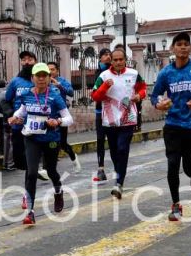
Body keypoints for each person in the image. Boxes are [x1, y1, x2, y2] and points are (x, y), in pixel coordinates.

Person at [151, 32, 191, 221]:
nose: (183, 47)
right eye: (179, 44)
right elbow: (154, 96)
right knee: (172, 165)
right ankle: (176, 206)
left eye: (186, 44)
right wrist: (159, 105)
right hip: (173, 125)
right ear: (172, 49)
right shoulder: (165, 73)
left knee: (188, 168)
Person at [8, 63, 73, 225]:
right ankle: (30, 212)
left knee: (51, 170)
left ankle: (58, 191)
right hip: (31, 138)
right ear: (33, 78)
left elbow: (69, 119)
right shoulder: (27, 95)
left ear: (49, 78)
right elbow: (22, 111)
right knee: (31, 173)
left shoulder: (55, 96)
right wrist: (14, 117)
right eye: (38, 76)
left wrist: (57, 121)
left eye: (45, 75)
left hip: (50, 139)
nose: (42, 79)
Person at [91, 48, 147, 199]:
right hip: (110, 121)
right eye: (115, 60)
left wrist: (138, 96)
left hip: (128, 118)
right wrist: (104, 87)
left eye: (120, 59)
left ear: (125, 60)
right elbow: (95, 96)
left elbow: (143, 88)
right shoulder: (104, 76)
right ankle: (119, 173)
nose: (118, 62)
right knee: (115, 151)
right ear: (111, 61)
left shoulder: (133, 74)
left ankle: (119, 183)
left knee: (123, 149)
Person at [5, 51, 37, 170]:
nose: (26, 62)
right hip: (18, 126)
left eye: (30, 59)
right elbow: (6, 101)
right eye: (23, 60)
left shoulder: (41, 80)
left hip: (36, 126)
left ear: (35, 61)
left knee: (33, 161)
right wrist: (10, 115)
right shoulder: (15, 81)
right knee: (20, 161)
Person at [48, 62, 82, 172]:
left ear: (57, 71)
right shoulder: (44, 82)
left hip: (61, 116)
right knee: (47, 142)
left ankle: (73, 158)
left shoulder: (62, 81)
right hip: (48, 116)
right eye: (48, 70)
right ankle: (47, 168)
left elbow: (71, 93)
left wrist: (59, 85)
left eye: (52, 69)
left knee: (62, 143)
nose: (50, 72)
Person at [93, 48, 112, 183]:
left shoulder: (114, 72)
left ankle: (118, 168)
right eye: (105, 55)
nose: (108, 57)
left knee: (113, 140)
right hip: (100, 111)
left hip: (113, 111)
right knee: (100, 139)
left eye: (109, 54)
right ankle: (101, 169)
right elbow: (95, 92)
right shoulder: (98, 74)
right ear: (100, 58)